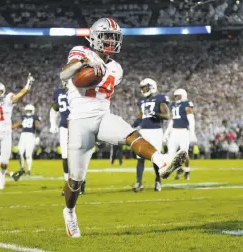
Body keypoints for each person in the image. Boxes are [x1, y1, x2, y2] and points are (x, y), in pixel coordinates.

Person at [59, 18, 187, 237]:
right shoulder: (80, 51)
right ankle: (69, 212)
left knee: (130, 134)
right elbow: (66, 75)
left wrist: (97, 70)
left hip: (102, 116)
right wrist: (85, 64)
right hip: (79, 120)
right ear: (95, 36)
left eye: (114, 37)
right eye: (107, 36)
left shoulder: (117, 69)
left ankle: (162, 161)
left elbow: (97, 85)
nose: (111, 41)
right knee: (76, 180)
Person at [132, 78, 170, 192]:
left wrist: (156, 114)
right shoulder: (141, 101)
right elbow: (140, 117)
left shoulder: (159, 99)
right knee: (140, 158)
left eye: (145, 87)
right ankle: (139, 183)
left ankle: (158, 180)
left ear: (152, 87)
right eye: (142, 88)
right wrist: (131, 127)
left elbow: (167, 116)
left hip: (155, 131)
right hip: (144, 131)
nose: (143, 90)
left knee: (155, 158)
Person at [50, 83, 86, 195]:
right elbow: (54, 109)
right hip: (64, 127)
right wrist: (53, 123)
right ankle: (68, 184)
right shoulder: (59, 92)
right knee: (65, 156)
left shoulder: (80, 91)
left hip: (77, 126)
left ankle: (79, 183)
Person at [163, 89, 197, 180]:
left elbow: (191, 119)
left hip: (183, 132)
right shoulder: (174, 105)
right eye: (175, 96)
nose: (176, 98)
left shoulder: (187, 104)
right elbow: (173, 120)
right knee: (170, 154)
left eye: (178, 96)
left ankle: (187, 170)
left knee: (184, 153)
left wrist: (192, 132)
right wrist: (167, 132)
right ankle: (178, 169)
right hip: (174, 132)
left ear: (183, 96)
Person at [12, 104, 41, 176]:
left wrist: (11, 127)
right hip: (28, 135)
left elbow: (19, 124)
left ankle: (26, 170)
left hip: (26, 135)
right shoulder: (34, 117)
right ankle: (25, 169)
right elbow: (37, 125)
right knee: (24, 153)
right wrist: (38, 136)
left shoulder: (24, 117)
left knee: (23, 153)